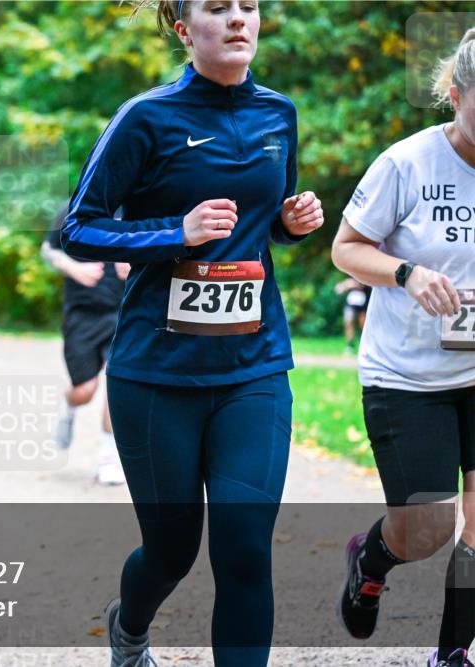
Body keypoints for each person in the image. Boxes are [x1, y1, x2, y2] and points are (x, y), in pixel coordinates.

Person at [61, 1, 325, 665]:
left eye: (249, 6)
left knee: (242, 546)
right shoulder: (146, 117)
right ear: (184, 29)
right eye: (217, 7)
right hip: (157, 373)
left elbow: (258, 227)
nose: (238, 18)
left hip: (254, 366)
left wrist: (290, 224)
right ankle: (130, 628)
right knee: (172, 550)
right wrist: (172, 233)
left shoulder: (280, 114)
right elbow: (79, 228)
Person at [331, 28, 475, 667]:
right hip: (408, 378)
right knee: (428, 531)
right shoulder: (406, 164)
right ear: (454, 92)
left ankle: (453, 653)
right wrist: (408, 274)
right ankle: (372, 557)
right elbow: (347, 247)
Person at [42, 203, 130, 485]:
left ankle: (108, 458)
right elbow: (48, 249)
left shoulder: (138, 205)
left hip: (124, 310)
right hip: (82, 313)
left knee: (117, 384)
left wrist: (138, 261)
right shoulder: (74, 206)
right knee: (85, 390)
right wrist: (72, 267)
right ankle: (68, 407)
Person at [335, 275, 371, 352]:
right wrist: (345, 286)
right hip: (352, 302)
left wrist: (355, 285)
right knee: (348, 322)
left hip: (365, 302)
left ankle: (367, 345)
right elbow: (339, 289)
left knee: (365, 325)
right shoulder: (348, 274)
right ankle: (350, 345)